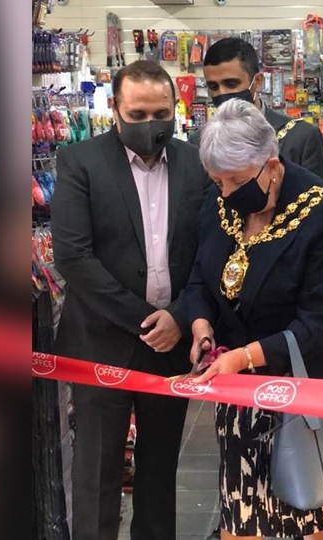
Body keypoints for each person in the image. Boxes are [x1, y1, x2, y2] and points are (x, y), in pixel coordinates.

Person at [183, 99, 323, 540]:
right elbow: (199, 279)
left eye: (235, 181)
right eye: (216, 181)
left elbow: (321, 321)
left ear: (271, 165)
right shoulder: (221, 200)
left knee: (312, 505)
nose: (225, 193)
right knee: (241, 508)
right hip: (240, 387)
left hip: (313, 382)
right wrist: (201, 326)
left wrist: (244, 357)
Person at [50, 60, 211, 540]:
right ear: (115, 109)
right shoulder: (79, 162)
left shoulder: (196, 164)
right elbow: (73, 258)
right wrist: (150, 321)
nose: (150, 125)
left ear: (176, 109)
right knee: (97, 471)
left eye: (161, 113)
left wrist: (180, 317)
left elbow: (211, 251)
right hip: (101, 342)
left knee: (159, 471)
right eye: (138, 114)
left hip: (173, 345)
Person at [188, 37, 323, 184]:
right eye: (213, 87)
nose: (221, 93)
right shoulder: (199, 141)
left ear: (257, 82)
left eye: (231, 84)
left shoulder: (300, 137)